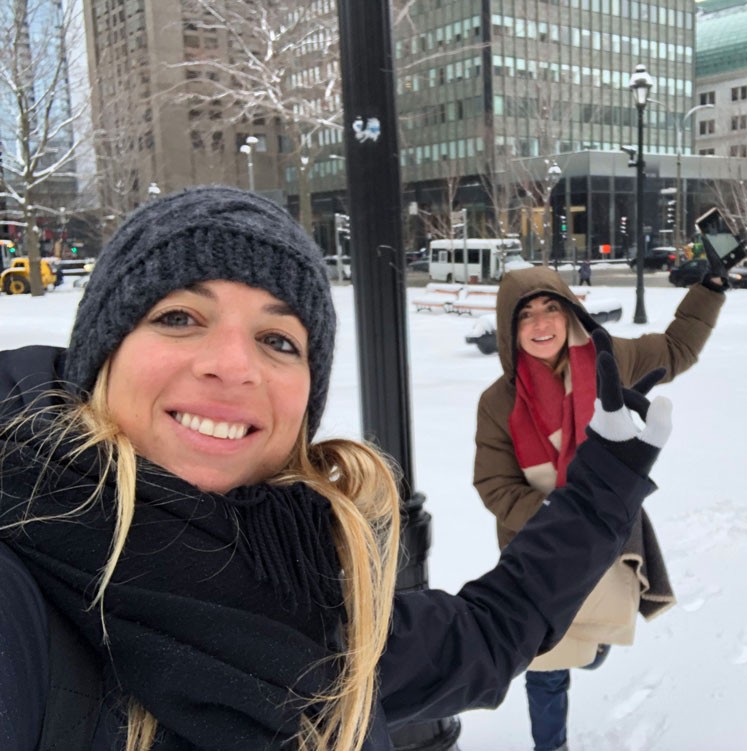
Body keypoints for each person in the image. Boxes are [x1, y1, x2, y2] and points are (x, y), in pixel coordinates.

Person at [0, 186, 674, 751]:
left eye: (277, 339)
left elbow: (492, 628)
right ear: (101, 354)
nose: (233, 365)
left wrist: (603, 485)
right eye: (179, 316)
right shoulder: (24, 599)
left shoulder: (310, 592)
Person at [473, 263, 726, 751]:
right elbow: (494, 484)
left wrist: (710, 288)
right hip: (539, 546)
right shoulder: (498, 402)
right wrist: (558, 521)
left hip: (610, 533)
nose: (542, 324)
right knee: (544, 662)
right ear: (510, 327)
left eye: (553, 308)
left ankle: (593, 646)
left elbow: (677, 349)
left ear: (571, 314)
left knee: (589, 647)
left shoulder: (612, 360)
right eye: (527, 315)